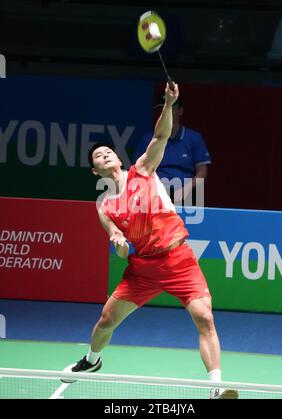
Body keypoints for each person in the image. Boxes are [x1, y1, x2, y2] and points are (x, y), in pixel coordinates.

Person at [66, 83, 237, 399]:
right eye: (98, 156)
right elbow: (118, 247)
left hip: (178, 258)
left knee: (205, 318)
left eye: (108, 151)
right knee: (106, 321)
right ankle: (92, 360)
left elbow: (160, 137)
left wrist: (168, 105)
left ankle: (216, 386)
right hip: (142, 269)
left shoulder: (142, 171)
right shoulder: (105, 207)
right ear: (95, 171)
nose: (105, 154)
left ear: (117, 158)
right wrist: (118, 243)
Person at [134, 92, 211, 206]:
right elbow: (139, 171)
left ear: (180, 111)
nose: (165, 112)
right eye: (163, 108)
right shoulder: (148, 140)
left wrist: (186, 189)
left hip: (185, 194)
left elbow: (202, 172)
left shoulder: (194, 138)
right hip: (154, 193)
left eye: (170, 107)